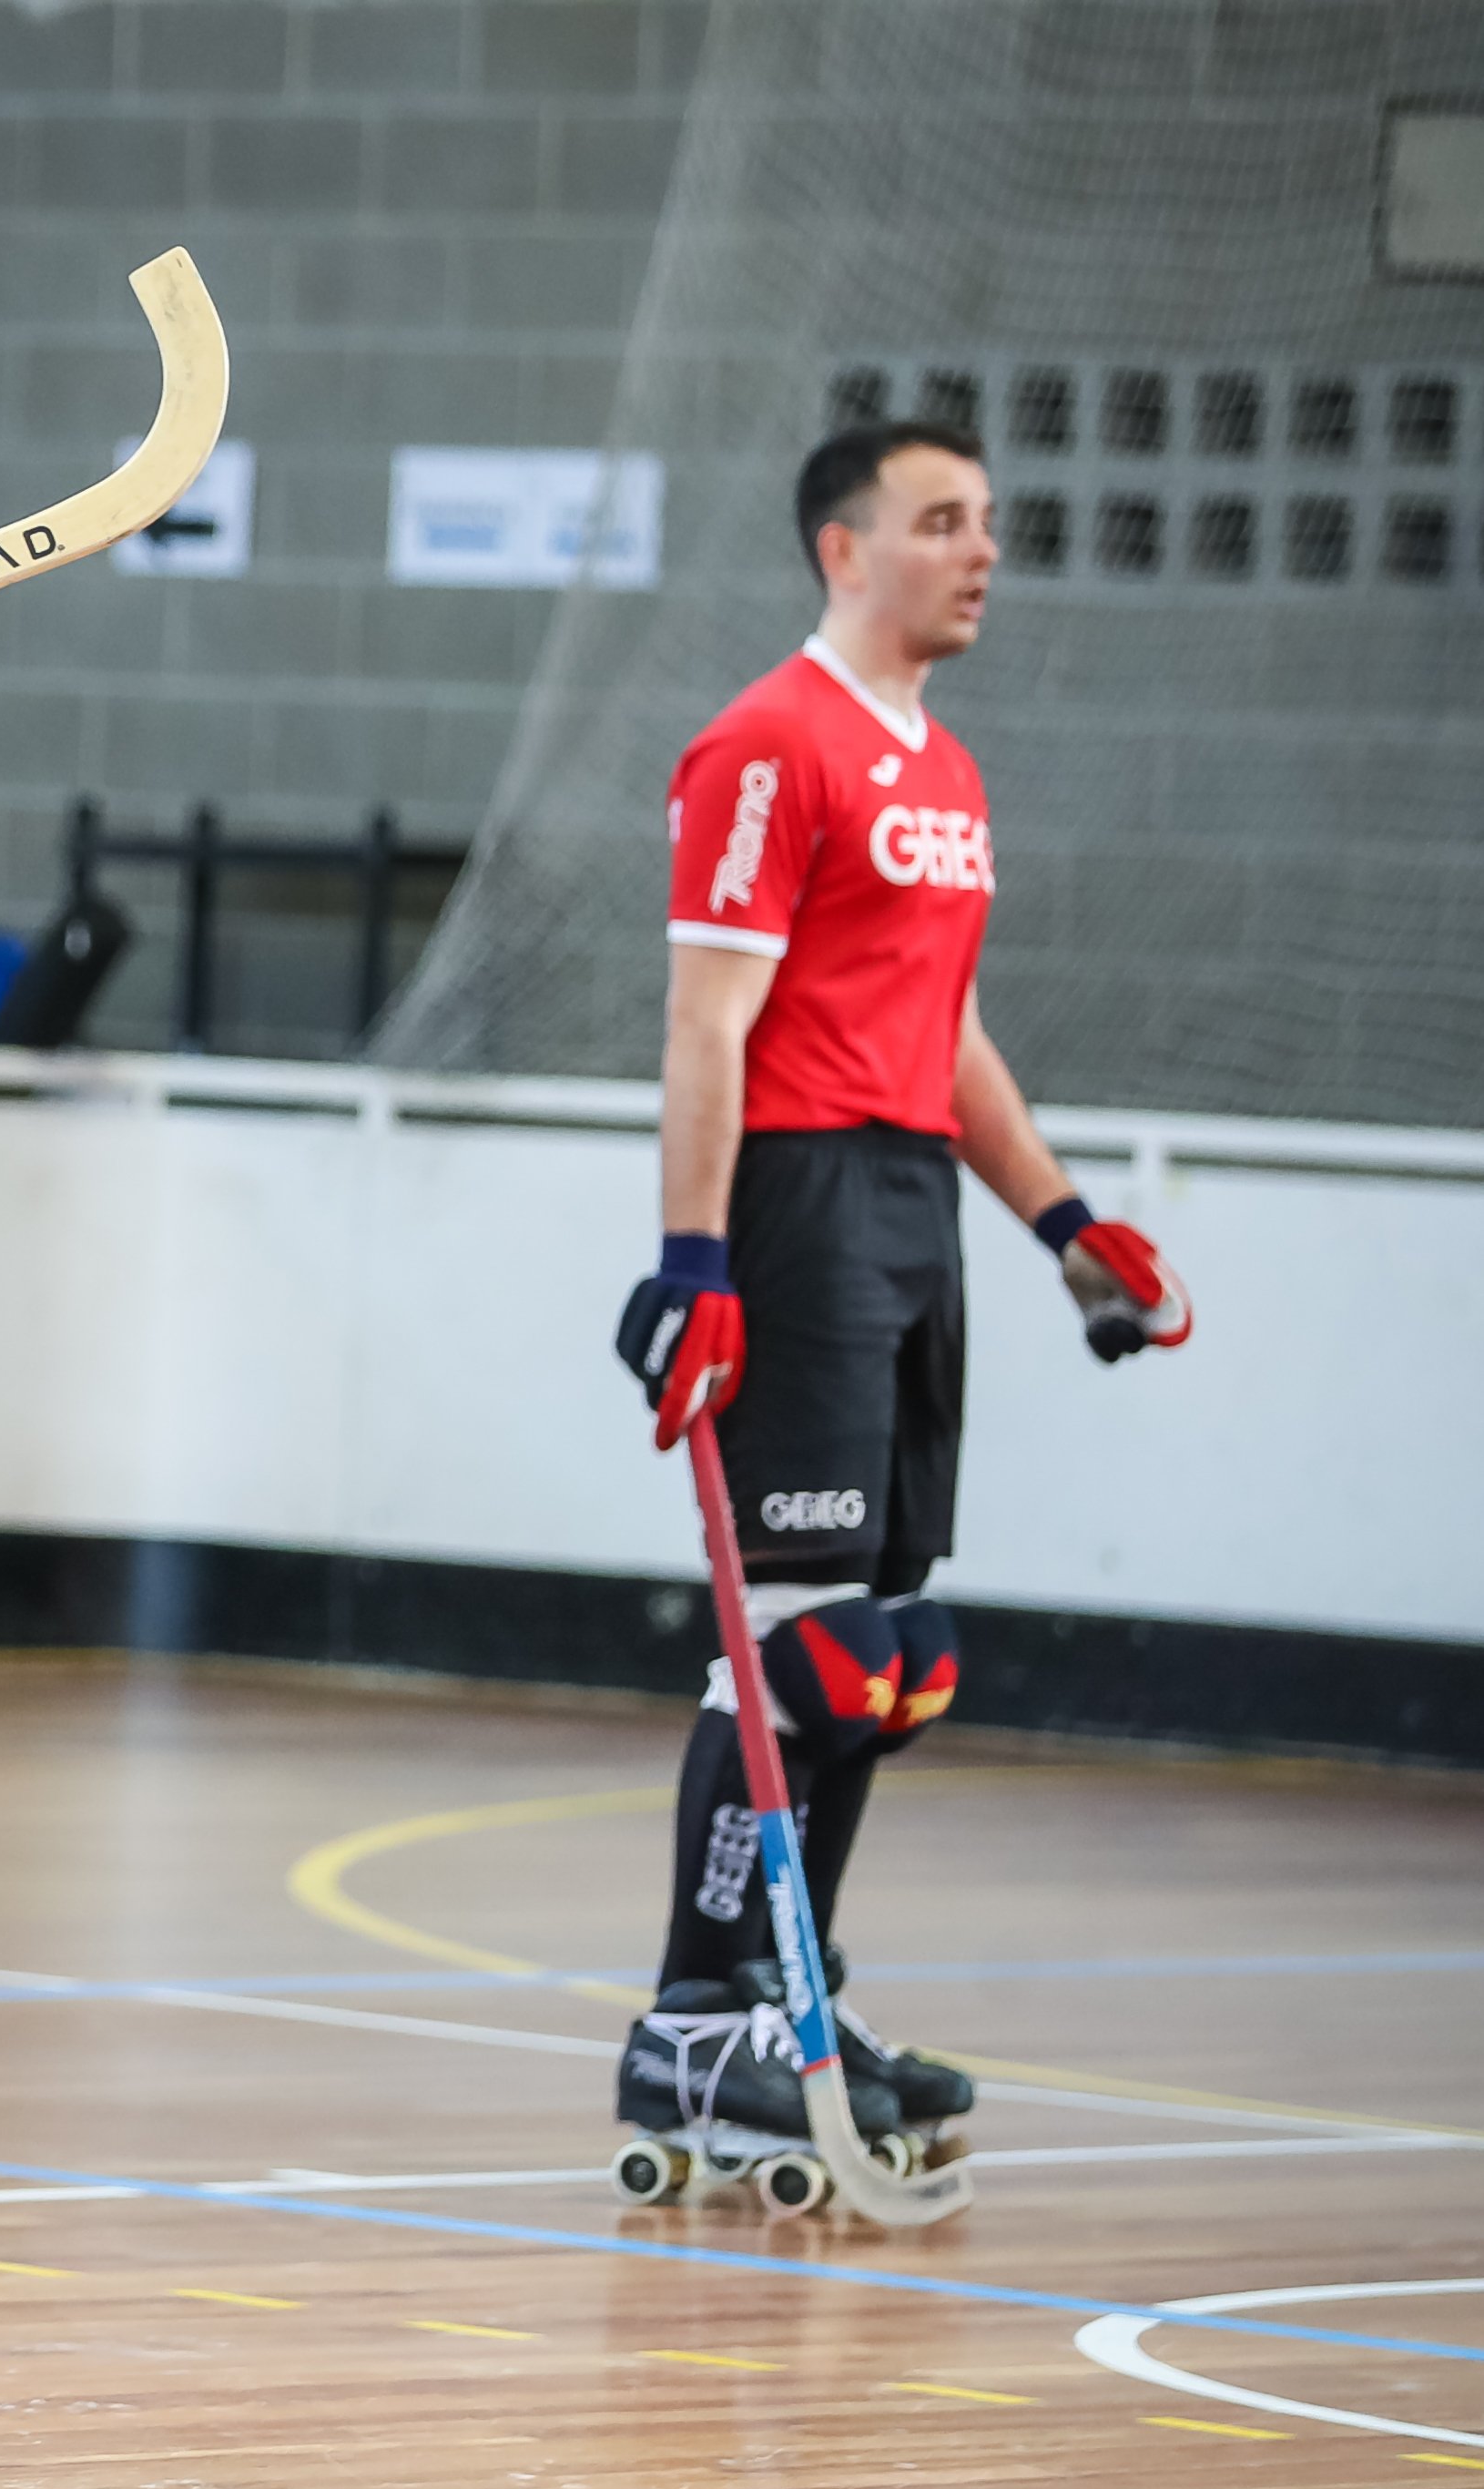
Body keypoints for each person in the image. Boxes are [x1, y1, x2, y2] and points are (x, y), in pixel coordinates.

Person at [607, 419, 1194, 2190]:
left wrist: (1061, 1219)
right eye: (941, 522)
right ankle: (693, 2015)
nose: (979, 550)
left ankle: (797, 1989)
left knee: (883, 1648)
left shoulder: (944, 771)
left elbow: (941, 1034)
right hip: (789, 1199)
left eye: (988, 523)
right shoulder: (764, 745)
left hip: (907, 1203)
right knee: (796, 1631)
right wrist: (693, 1258)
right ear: (840, 549)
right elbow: (705, 1020)